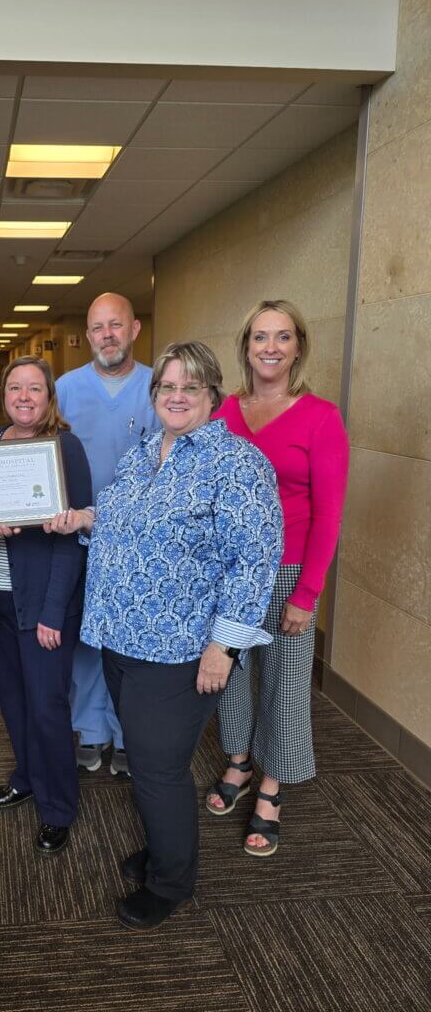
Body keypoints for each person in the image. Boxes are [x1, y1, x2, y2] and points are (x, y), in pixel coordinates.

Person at [47, 341, 282, 929]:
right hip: (121, 637)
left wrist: (224, 646)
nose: (177, 396)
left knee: (158, 769)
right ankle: (163, 849)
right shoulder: (144, 451)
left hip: (181, 650)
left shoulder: (238, 463)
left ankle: (172, 882)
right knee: (149, 759)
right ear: (155, 395)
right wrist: (83, 520)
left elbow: (254, 563)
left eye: (190, 387)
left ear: (212, 395)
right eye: (167, 386)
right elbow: (120, 518)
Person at [206, 300, 349, 858]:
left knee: (285, 682)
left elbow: (329, 513)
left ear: (298, 347)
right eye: (260, 336)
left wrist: (307, 593)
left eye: (282, 337)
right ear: (245, 346)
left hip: (289, 571)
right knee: (230, 674)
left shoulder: (320, 417)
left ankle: (272, 784)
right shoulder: (222, 411)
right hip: (229, 572)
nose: (270, 347)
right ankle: (239, 761)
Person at [0, 357, 91, 854]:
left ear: (49, 398)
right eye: (14, 387)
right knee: (13, 698)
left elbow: (72, 538)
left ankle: (58, 807)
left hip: (44, 604)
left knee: (47, 708)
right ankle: (27, 777)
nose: (24, 397)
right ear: (3, 394)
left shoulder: (64, 447)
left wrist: (53, 611)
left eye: (34, 389)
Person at [55, 293, 158, 777]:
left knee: (130, 642)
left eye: (116, 325)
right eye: (97, 328)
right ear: (88, 335)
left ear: (134, 329)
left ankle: (125, 735)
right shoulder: (65, 389)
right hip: (77, 536)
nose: (107, 336)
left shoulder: (158, 387)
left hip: (138, 541)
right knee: (84, 639)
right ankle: (90, 729)